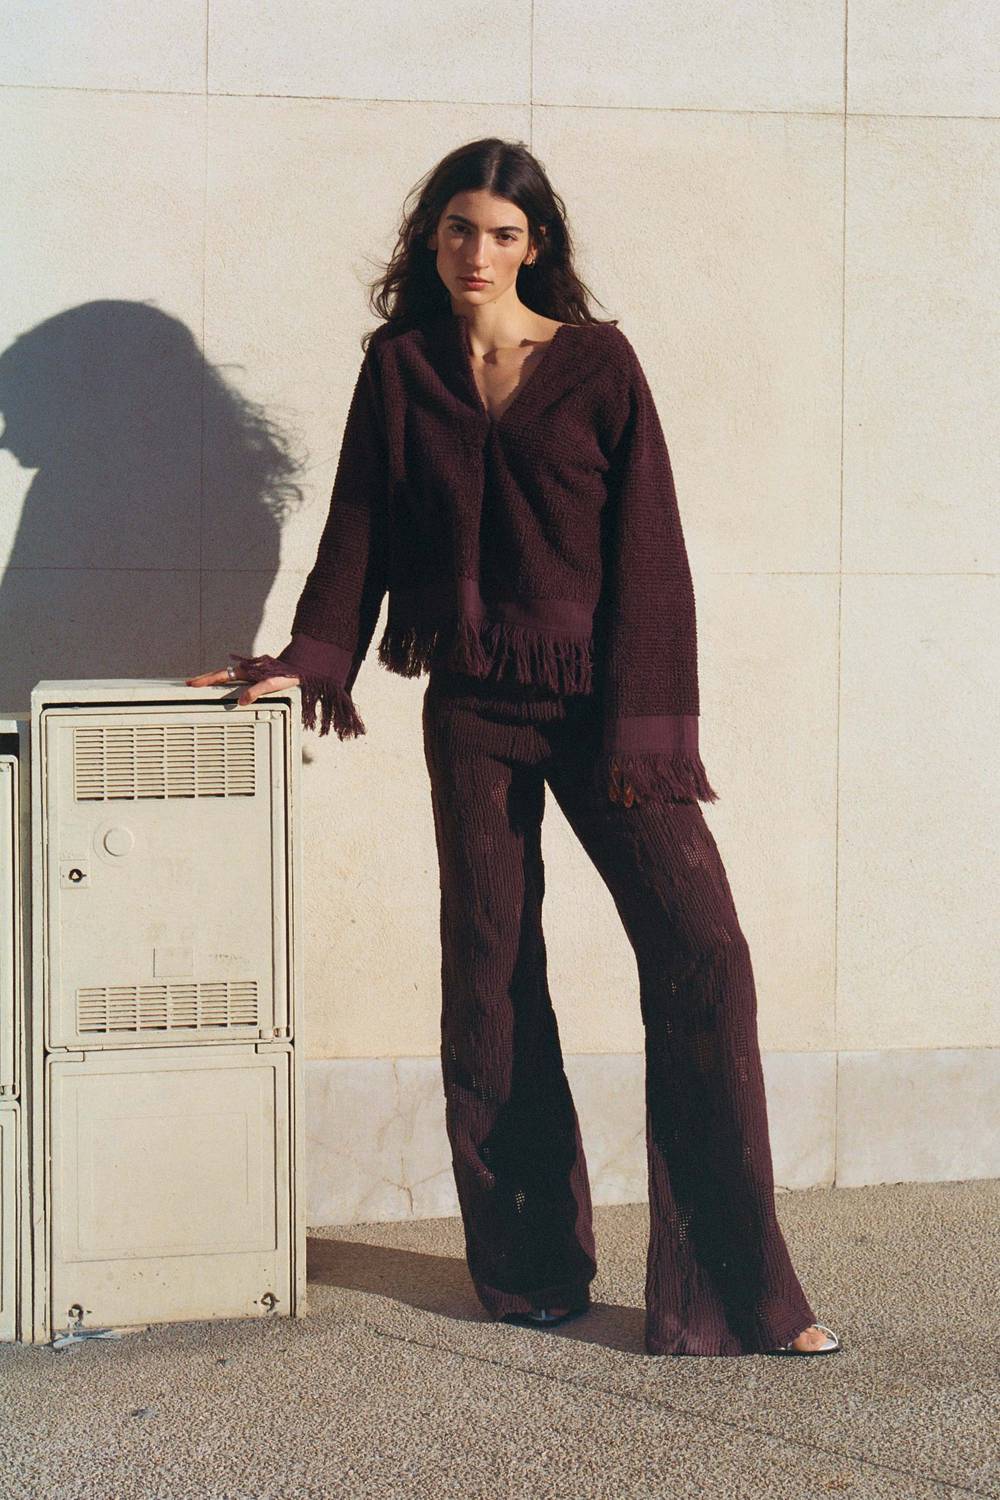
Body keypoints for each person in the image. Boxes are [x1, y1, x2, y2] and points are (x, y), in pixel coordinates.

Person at [187, 137, 840, 1358]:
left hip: (600, 708)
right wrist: (307, 658)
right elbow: (360, 528)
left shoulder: (596, 363)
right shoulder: (400, 367)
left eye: (499, 233)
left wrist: (649, 728)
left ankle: (741, 1290)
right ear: (427, 241)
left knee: (704, 953)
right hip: (473, 712)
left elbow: (651, 547)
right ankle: (530, 1266)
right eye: (454, 230)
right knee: (489, 977)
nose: (475, 254)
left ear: (534, 243)